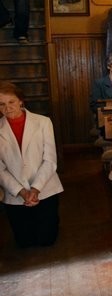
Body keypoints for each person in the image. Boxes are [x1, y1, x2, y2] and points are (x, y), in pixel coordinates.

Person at [0, 81, 63, 247]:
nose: (7, 108)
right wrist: (22, 192)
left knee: (46, 240)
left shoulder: (43, 122)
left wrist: (35, 189)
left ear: (21, 101)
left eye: (11, 102)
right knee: (24, 243)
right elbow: (0, 170)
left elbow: (50, 160)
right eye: (1, 104)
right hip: (15, 193)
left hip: (45, 188)